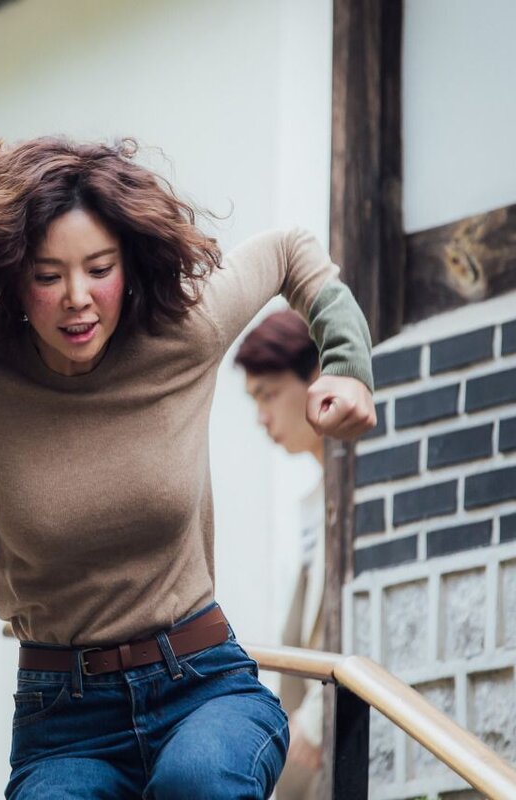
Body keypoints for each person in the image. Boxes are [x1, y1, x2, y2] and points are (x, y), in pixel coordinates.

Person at [0, 137, 376, 798]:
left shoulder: (182, 330)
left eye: (99, 268)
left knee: (199, 782)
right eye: (47, 276)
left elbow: (290, 250)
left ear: (130, 264)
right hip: (63, 717)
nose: (77, 297)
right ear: (11, 276)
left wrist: (348, 367)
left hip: (203, 685)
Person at [236, 309, 330, 800]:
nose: (262, 417)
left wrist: (315, 722)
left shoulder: (353, 493)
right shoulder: (313, 499)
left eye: (269, 395)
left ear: (314, 378)